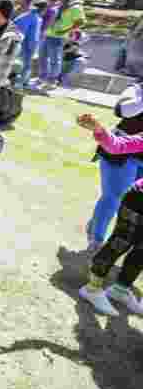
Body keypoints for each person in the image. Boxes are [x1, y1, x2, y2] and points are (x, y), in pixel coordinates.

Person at [75, 111, 143, 316]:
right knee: (119, 244)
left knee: (141, 251)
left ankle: (120, 290)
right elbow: (118, 145)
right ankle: (92, 289)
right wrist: (99, 129)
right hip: (137, 201)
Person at [38, 0, 86, 90]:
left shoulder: (75, 8)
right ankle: (42, 78)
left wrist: (67, 31)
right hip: (48, 34)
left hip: (59, 37)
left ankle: (52, 81)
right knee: (42, 57)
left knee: (55, 59)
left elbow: (81, 22)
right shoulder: (58, 6)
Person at [13, 0, 45, 89]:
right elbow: (29, 34)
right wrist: (33, 47)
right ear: (42, 9)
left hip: (22, 43)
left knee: (22, 64)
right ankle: (20, 82)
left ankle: (24, 81)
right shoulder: (34, 18)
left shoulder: (27, 16)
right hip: (26, 44)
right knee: (24, 64)